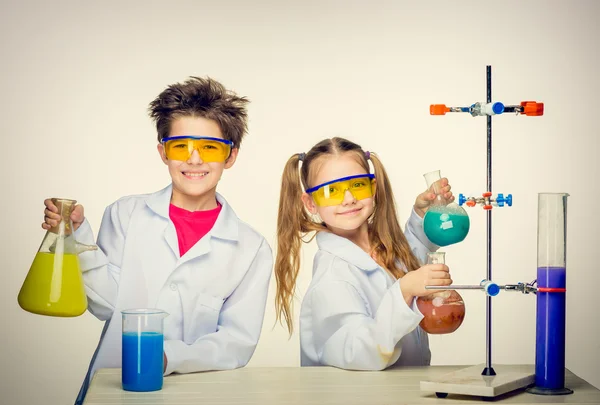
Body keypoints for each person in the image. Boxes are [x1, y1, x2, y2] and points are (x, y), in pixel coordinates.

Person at [42, 77, 273, 404]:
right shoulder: (126, 214)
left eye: (209, 147)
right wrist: (77, 234)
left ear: (230, 156)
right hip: (115, 390)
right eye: (181, 146)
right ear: (163, 152)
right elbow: (106, 305)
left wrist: (168, 358)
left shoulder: (251, 248)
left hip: (197, 395)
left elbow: (237, 343)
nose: (194, 160)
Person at [274, 137, 454, 370]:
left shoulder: (381, 246)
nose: (349, 199)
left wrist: (422, 219)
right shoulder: (332, 278)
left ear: (373, 187)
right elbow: (358, 352)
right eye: (332, 191)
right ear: (310, 204)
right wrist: (404, 291)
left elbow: (406, 263)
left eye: (357, 185)